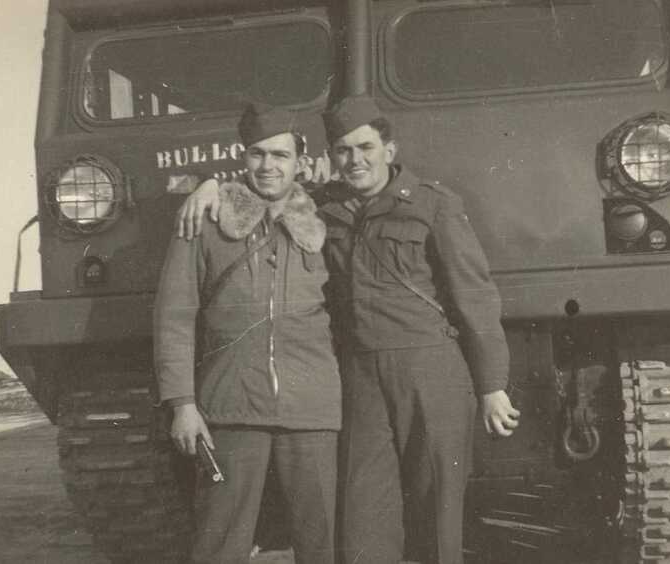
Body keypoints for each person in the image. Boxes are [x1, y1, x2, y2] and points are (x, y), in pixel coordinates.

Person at [176, 95, 520, 564]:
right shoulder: (321, 210)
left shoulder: (433, 204)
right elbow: (269, 192)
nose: (355, 160)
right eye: (343, 150)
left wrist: (492, 384)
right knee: (361, 518)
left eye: (365, 148)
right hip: (359, 377)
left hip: (430, 369)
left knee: (435, 505)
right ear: (330, 158)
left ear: (389, 150)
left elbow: (474, 295)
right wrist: (212, 187)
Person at [154, 103, 341, 564]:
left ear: (300, 160)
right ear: (244, 158)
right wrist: (182, 404)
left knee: (321, 544)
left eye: (280, 155)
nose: (268, 166)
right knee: (220, 543)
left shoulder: (327, 223)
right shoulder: (207, 223)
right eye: (257, 154)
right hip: (231, 407)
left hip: (312, 409)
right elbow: (174, 316)